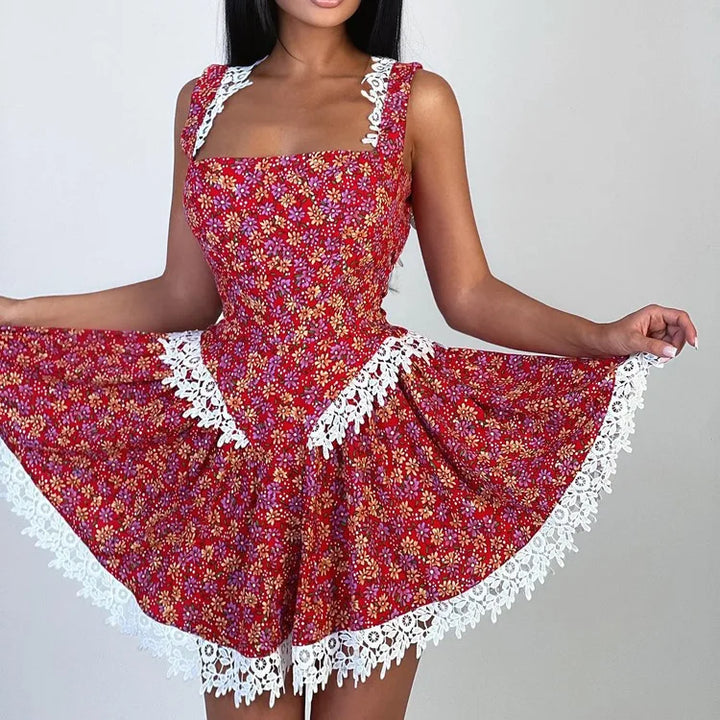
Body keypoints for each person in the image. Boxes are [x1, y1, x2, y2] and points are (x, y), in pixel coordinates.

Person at [0, 1, 698, 719]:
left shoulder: (417, 102)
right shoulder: (202, 103)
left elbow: (468, 294)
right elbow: (183, 296)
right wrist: (17, 312)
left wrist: (600, 336)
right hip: (237, 470)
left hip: (371, 460)